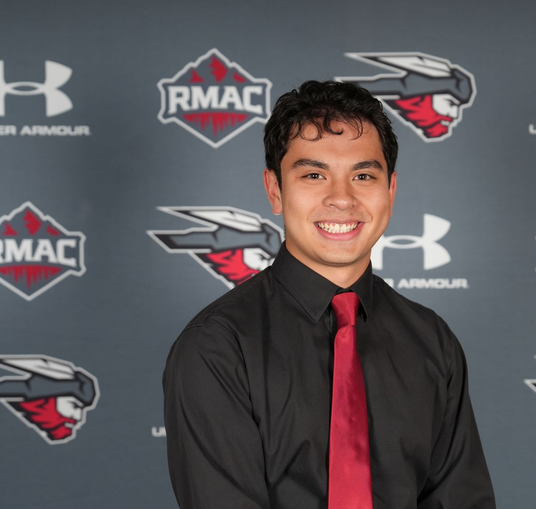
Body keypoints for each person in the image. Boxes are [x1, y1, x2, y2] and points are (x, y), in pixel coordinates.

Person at [163, 80, 495, 508]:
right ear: (275, 190)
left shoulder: (432, 340)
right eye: (314, 175)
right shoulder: (217, 347)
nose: (342, 198)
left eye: (363, 175)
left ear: (390, 191)